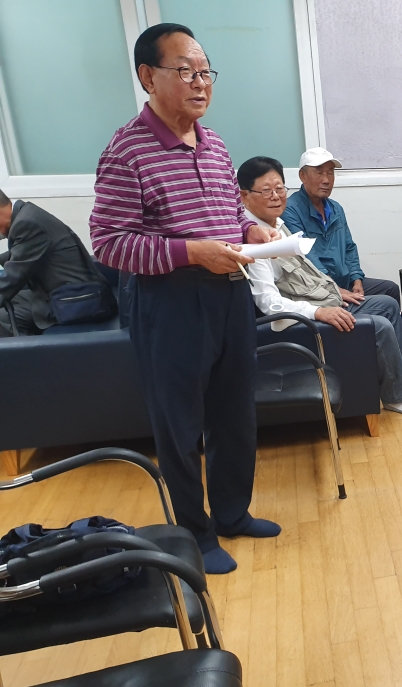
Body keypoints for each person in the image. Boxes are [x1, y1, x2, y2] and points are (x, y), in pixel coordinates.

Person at [90, 23, 282, 575]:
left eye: (205, 71)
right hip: (170, 302)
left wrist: (250, 231)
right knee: (179, 426)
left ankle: (232, 513)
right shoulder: (127, 150)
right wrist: (191, 252)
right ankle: (195, 534)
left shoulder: (215, 143)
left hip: (231, 294)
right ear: (148, 77)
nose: (200, 82)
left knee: (234, 413)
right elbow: (109, 242)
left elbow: (229, 213)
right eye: (185, 71)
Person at [237, 156, 402, 415]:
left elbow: (335, 254)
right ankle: (396, 397)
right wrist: (320, 311)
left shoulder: (279, 224)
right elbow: (269, 304)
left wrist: (345, 283)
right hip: (294, 319)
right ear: (244, 196)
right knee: (380, 325)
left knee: (388, 304)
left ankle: (399, 379)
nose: (276, 196)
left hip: (319, 294)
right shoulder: (254, 241)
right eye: (266, 190)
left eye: (279, 188)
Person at [282, 147, 402, 307]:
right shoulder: (290, 210)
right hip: (318, 287)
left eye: (330, 173)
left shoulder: (336, 209)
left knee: (390, 289)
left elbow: (349, 247)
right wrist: (334, 288)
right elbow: (306, 256)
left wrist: (356, 278)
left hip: (344, 281)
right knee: (386, 304)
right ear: (303, 176)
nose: (326, 180)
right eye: (319, 173)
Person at [0, 191, 115, 337]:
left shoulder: (26, 224)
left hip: (76, 301)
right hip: (65, 292)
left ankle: (29, 351)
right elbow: (24, 253)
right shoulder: (27, 214)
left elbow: (14, 276)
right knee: (15, 298)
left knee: (3, 317)